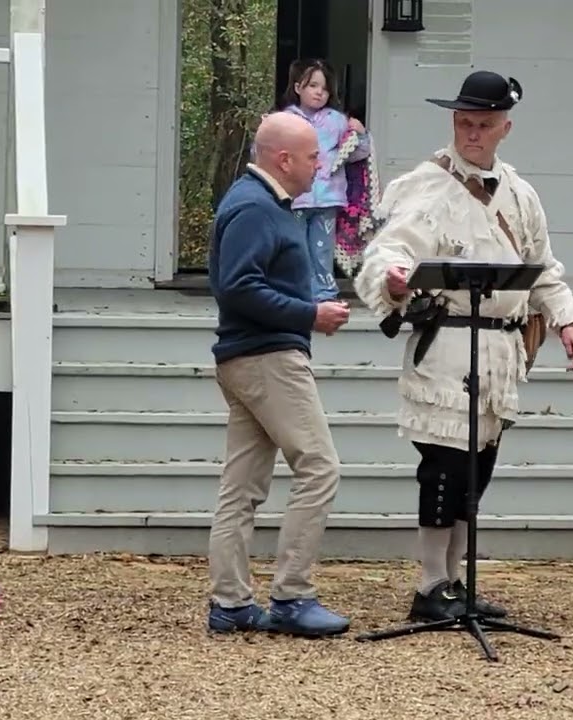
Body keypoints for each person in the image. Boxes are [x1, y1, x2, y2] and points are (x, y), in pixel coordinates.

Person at [354, 70, 573, 622]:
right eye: (464, 123)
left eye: (483, 124)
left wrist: (567, 319)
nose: (472, 134)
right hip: (449, 345)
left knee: (478, 470)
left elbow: (542, 267)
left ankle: (456, 582)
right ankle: (430, 584)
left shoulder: (520, 194)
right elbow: (390, 249)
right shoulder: (427, 186)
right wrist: (394, 280)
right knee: (444, 467)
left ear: (505, 128)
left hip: (502, 350)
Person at [204, 111, 353, 637]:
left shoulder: (257, 203)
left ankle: (230, 604)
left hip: (245, 357)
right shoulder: (254, 207)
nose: (320, 165)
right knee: (320, 467)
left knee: (241, 487)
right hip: (267, 359)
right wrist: (309, 314)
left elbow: (243, 284)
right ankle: (292, 595)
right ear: (283, 159)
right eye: (313, 156)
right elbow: (237, 286)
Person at [276, 58, 370, 301]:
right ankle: (297, 291)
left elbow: (357, 155)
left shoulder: (337, 121)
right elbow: (270, 153)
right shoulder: (285, 120)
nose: (319, 92)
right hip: (296, 198)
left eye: (325, 88)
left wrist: (360, 135)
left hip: (328, 197)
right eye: (313, 86)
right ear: (298, 88)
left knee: (322, 248)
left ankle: (325, 294)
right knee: (296, 247)